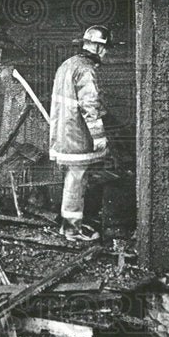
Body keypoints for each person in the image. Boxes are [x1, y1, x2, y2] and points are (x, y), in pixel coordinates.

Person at [49, 25, 116, 241]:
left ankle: (70, 225)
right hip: (77, 134)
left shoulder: (67, 65)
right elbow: (90, 106)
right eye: (105, 48)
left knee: (74, 179)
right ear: (96, 47)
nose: (106, 53)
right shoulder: (86, 69)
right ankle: (71, 230)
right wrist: (99, 137)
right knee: (76, 180)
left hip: (63, 133)